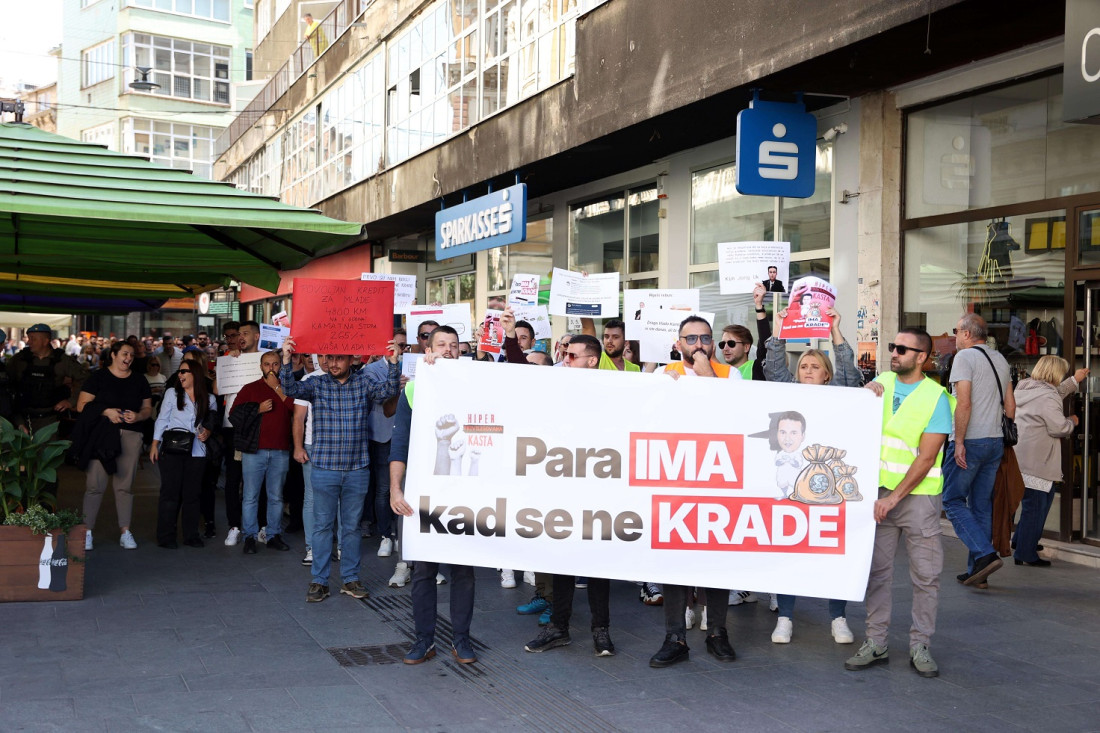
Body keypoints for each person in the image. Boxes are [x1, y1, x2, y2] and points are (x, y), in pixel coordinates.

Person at [848, 329, 954, 678]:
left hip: (916, 499)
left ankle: (920, 644)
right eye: (893, 346)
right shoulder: (879, 383)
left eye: (902, 349)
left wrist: (893, 498)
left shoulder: (936, 397)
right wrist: (861, 398)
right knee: (877, 573)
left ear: (922, 357)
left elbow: (926, 458)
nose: (894, 352)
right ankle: (875, 642)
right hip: (878, 496)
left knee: (926, 576)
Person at [763, 306, 860, 644]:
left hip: (830, 488)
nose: (807, 370)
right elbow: (774, 368)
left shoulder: (842, 394)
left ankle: (838, 617)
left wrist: (835, 330)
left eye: (815, 366)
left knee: (835, 553)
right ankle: (785, 617)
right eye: (802, 365)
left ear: (826, 374)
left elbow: (850, 373)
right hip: (791, 488)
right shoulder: (788, 392)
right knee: (789, 552)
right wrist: (778, 332)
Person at [280, 337, 401, 603]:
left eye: (339, 358)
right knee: (323, 527)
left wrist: (393, 362)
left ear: (351, 359)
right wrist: (287, 359)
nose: (332, 363)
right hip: (324, 467)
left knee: (351, 528)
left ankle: (350, 578)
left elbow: (390, 390)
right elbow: (289, 388)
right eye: (329, 357)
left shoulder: (364, 382)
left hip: (357, 469)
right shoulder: (316, 383)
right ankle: (319, 581)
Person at [648, 327, 737, 668]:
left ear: (712, 343)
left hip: (717, 476)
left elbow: (732, 412)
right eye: (691, 339)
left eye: (704, 338)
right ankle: (675, 637)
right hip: (675, 477)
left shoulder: (730, 374)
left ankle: (717, 632)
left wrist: (706, 373)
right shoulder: (663, 374)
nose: (698, 344)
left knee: (715, 558)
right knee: (674, 560)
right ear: (678, 344)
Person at [388, 326, 478, 665]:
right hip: (424, 495)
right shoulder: (415, 389)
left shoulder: (474, 383)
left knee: (463, 570)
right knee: (424, 570)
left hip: (465, 494)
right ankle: (424, 639)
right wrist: (396, 488)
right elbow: (399, 445)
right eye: (441, 345)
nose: (449, 350)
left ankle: (462, 639)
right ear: (428, 348)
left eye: (455, 346)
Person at [525, 334, 617, 657]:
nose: (566, 360)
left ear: (592, 361)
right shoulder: (556, 389)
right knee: (562, 558)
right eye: (565, 355)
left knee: (596, 564)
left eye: (573, 356)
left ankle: (600, 630)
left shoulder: (613, 392)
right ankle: (559, 628)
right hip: (562, 486)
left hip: (598, 488)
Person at [943, 313, 1014, 587]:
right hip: (995, 441)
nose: (955, 336)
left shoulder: (964, 357)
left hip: (970, 440)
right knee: (981, 504)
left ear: (967, 333)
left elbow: (964, 403)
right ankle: (978, 572)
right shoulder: (1000, 359)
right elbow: (1010, 406)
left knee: (952, 500)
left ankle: (984, 555)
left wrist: (958, 441)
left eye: (956, 330)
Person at [73, 341, 152, 551]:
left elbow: (147, 409)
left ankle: (125, 531)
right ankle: (87, 532)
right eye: (125, 354)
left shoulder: (139, 379)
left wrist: (138, 416)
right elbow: (81, 405)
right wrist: (105, 411)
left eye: (132, 355)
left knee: (125, 486)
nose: (128, 358)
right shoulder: (98, 377)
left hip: (131, 434)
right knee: (94, 485)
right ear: (114, 355)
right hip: (101, 435)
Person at [1012, 357, 1084, 567]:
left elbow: (1053, 394)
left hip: (1022, 455)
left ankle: (1022, 540)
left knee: (1037, 500)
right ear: (1055, 373)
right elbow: (1058, 428)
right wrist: (1072, 421)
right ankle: (1025, 553)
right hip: (1037, 458)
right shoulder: (1047, 396)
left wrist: (1074, 380)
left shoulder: (1025, 388)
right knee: (1036, 504)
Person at [231, 351, 296, 554]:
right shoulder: (250, 389)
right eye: (267, 364)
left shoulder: (287, 387)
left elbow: (295, 408)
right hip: (254, 450)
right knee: (250, 495)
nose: (271, 368)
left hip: (280, 450)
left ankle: (273, 534)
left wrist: (276, 388)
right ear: (261, 366)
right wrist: (256, 409)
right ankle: (249, 536)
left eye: (275, 364)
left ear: (281, 366)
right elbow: (234, 415)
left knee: (276, 496)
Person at [151, 359, 216, 548]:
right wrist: (155, 444)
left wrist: (208, 431)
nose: (180, 375)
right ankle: (166, 536)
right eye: (179, 372)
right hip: (172, 450)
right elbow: (162, 419)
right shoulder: (172, 393)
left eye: (184, 371)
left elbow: (212, 421)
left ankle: (191, 535)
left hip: (197, 451)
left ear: (195, 373)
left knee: (192, 495)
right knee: (170, 494)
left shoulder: (209, 399)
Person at [365, 329, 409, 560]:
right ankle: (385, 535)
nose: (401, 349)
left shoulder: (418, 365)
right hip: (383, 434)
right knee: (384, 489)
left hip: (410, 434)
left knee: (408, 488)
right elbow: (378, 400)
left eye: (404, 345)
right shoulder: (371, 370)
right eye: (397, 345)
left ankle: (404, 533)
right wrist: (396, 385)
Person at [6, 323, 88, 435]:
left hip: (49, 420)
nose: (28, 342)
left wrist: (71, 401)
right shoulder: (19, 360)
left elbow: (86, 380)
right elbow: (6, 383)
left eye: (33, 339)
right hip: (21, 419)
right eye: (29, 338)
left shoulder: (62, 361)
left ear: (45, 341)